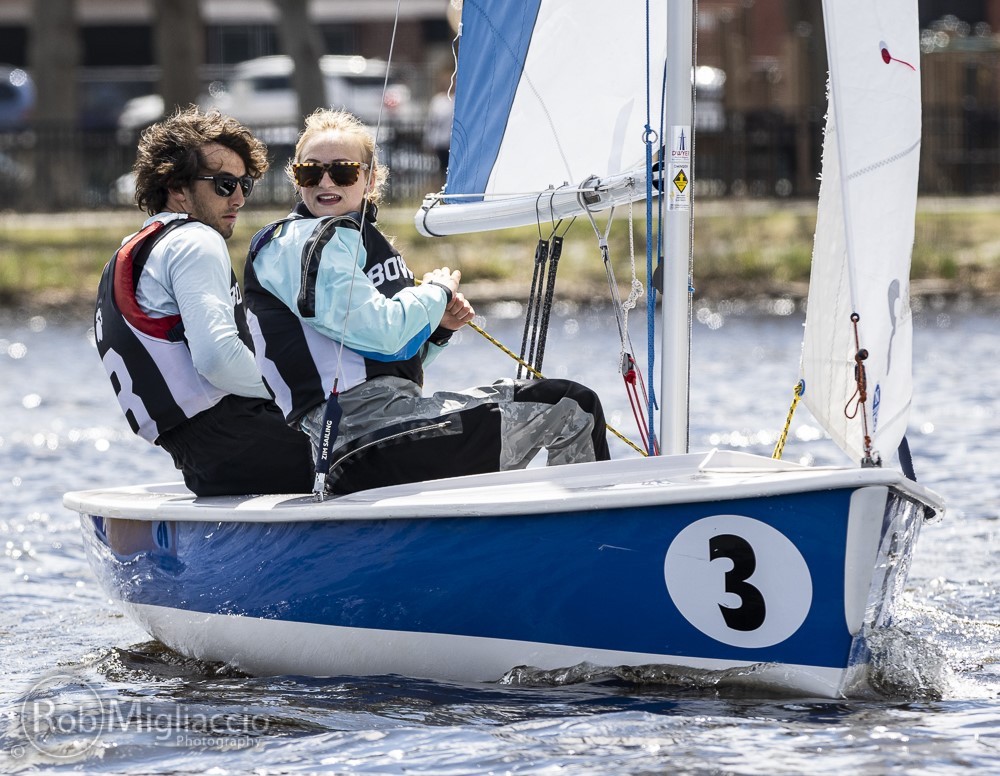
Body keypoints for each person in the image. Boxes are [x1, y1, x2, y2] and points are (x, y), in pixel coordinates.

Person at [242, 109, 610, 496]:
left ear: (369, 179)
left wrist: (438, 332)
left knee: (558, 404)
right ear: (296, 178)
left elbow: (381, 362)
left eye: (343, 171)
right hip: (365, 439)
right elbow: (382, 334)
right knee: (571, 407)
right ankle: (593, 541)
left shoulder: (351, 240)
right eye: (310, 172)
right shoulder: (304, 240)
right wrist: (436, 292)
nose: (326, 181)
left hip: (376, 436)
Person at [94, 106, 314, 497]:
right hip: (248, 438)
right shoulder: (195, 240)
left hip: (202, 459)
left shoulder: (130, 252)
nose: (239, 198)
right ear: (177, 188)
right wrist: (300, 395)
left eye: (245, 184)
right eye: (224, 184)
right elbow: (217, 359)